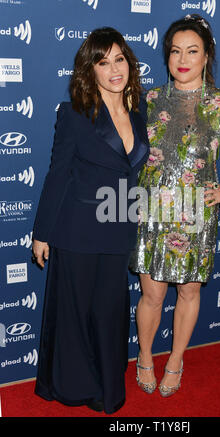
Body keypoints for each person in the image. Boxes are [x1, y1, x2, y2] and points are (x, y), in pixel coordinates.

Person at [129, 14, 220, 397]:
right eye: (176, 51)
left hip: (195, 216)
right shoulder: (150, 99)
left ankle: (175, 360)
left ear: (206, 56)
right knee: (152, 295)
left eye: (192, 51)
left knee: (188, 294)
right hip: (152, 214)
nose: (183, 59)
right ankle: (144, 355)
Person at [32, 27, 149, 414]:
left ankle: (107, 390)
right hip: (77, 230)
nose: (113, 69)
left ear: (129, 64)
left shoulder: (140, 110)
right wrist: (42, 233)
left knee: (110, 315)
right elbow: (58, 173)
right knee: (76, 315)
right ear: (90, 70)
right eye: (103, 62)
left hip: (119, 228)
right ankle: (76, 387)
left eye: (119, 59)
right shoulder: (75, 113)